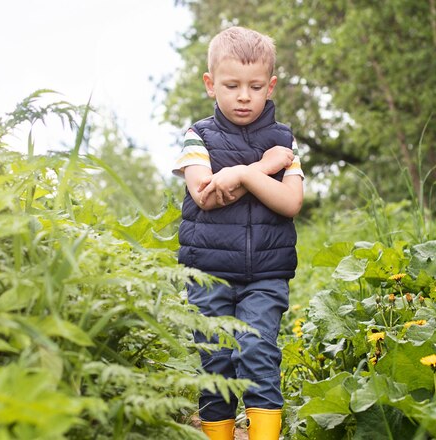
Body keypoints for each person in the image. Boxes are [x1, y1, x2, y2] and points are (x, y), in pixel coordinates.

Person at [172, 25, 304, 440]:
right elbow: (206, 194)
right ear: (211, 85)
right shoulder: (199, 137)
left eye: (255, 85)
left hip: (266, 274)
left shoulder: (284, 141)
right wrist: (261, 169)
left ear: (271, 86)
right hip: (208, 273)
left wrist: (243, 172)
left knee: (258, 352)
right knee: (217, 361)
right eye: (232, 85)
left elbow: (290, 202)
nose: (243, 95)